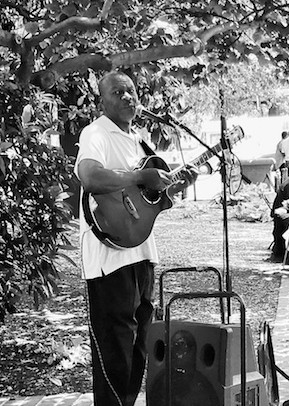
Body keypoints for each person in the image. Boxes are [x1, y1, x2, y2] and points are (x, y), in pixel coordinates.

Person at [75, 71, 198, 406]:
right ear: (103, 100)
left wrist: (174, 185)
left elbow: (147, 203)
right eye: (118, 92)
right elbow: (90, 176)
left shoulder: (140, 140)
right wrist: (143, 175)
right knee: (114, 350)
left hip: (142, 252)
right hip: (109, 257)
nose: (128, 97)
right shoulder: (96, 133)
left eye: (131, 91)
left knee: (140, 345)